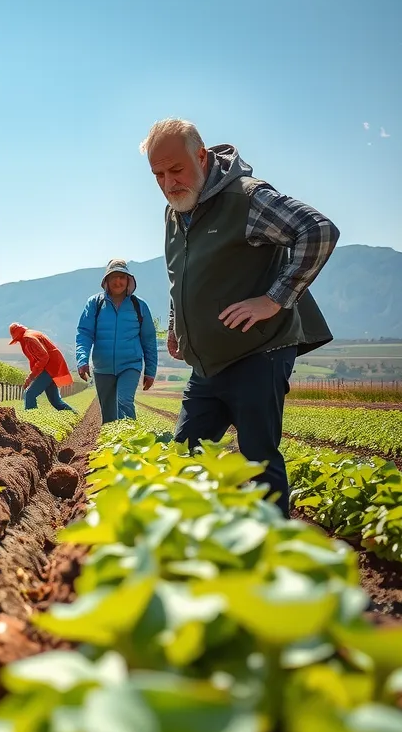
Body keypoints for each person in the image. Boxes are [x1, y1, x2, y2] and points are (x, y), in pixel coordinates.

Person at [140, 117, 338, 517]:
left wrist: (274, 299)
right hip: (207, 365)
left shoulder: (247, 198)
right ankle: (196, 544)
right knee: (184, 455)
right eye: (158, 174)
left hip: (259, 352)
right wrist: (179, 325)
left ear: (201, 155)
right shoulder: (173, 212)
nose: (168, 182)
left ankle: (272, 552)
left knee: (258, 459)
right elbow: (180, 273)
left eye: (176, 169)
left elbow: (318, 230)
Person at [75, 259, 158, 423]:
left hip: (130, 365)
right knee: (108, 414)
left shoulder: (139, 306)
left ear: (128, 280)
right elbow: (84, 333)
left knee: (124, 402)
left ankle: (130, 443)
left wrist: (150, 370)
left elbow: (148, 340)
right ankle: (112, 446)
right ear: (106, 280)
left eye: (122, 276)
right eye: (113, 276)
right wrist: (82, 360)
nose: (118, 281)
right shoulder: (95, 303)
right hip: (102, 367)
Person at [8, 323, 78, 413]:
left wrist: (31, 377)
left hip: (49, 367)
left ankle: (32, 421)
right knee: (55, 401)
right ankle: (75, 414)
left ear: (18, 335)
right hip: (53, 365)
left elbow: (44, 357)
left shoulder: (28, 338)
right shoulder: (31, 333)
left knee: (30, 394)